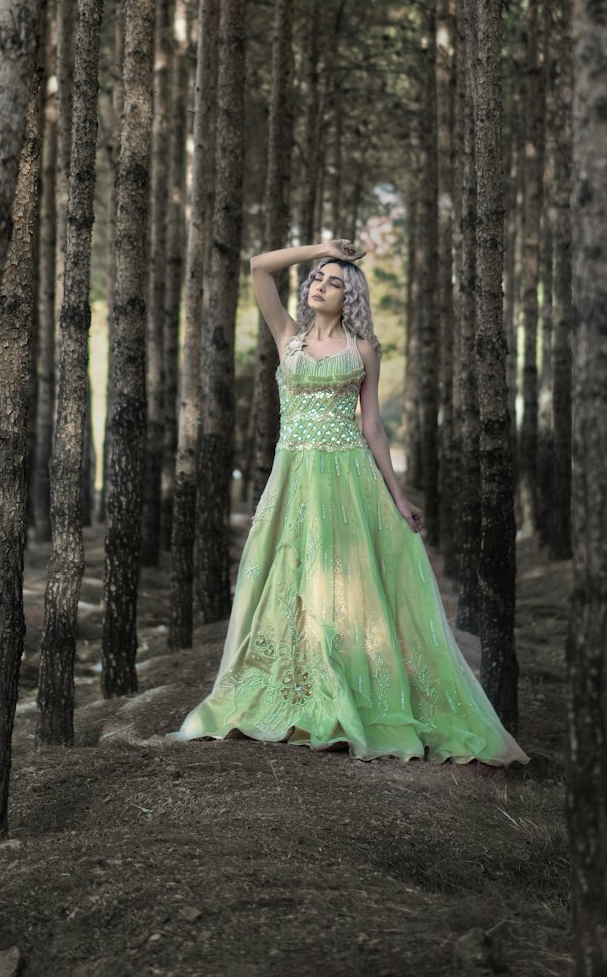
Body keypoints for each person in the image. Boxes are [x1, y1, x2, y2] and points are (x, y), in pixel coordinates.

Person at [170, 238, 528, 766]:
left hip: (350, 478)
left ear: (350, 298)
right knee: (288, 577)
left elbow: (375, 428)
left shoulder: (361, 352)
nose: (319, 285)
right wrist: (321, 249)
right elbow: (257, 267)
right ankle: (294, 690)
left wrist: (399, 497)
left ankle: (352, 695)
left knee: (354, 588)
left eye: (333, 282)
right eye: (316, 278)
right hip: (295, 477)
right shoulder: (287, 337)